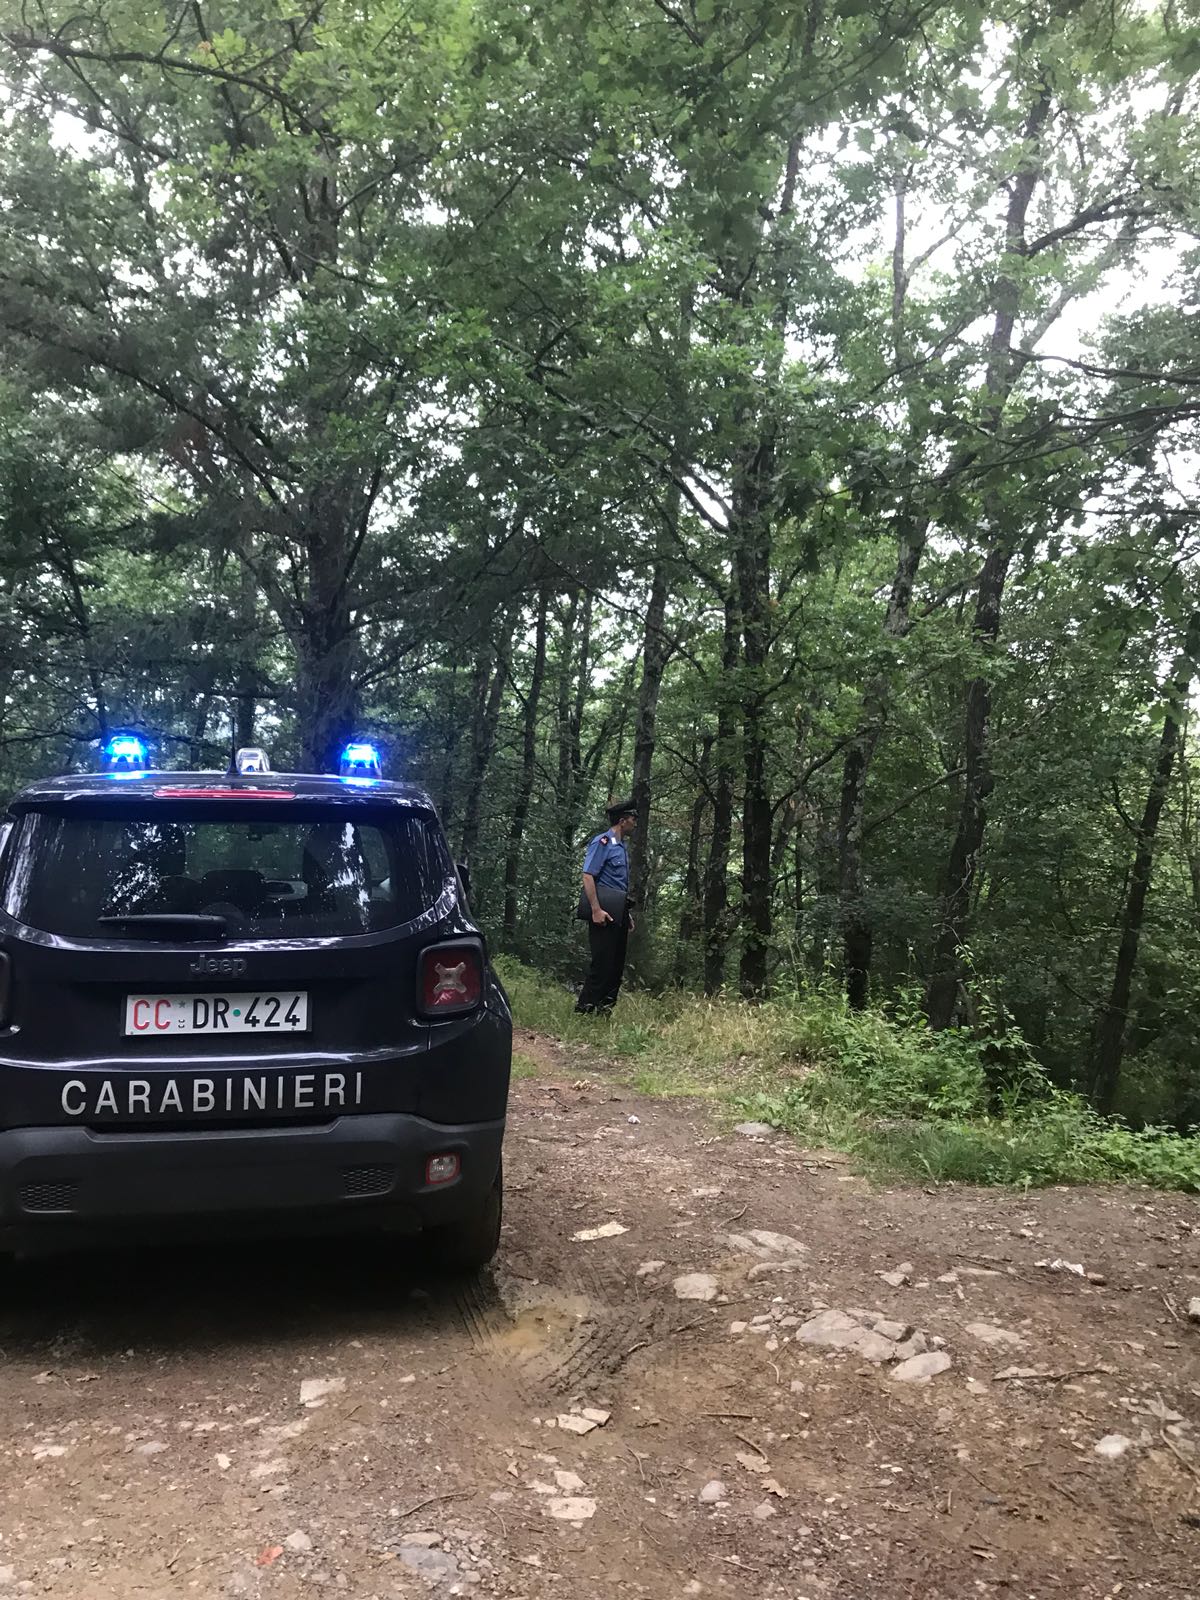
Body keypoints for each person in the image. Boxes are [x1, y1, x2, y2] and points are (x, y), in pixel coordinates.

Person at [575, 800, 637, 1015]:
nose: (635, 823)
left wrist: (626, 914)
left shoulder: (621, 847)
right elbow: (588, 875)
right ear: (622, 821)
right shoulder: (602, 842)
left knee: (616, 965)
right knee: (602, 962)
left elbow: (618, 885)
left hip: (618, 912)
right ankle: (584, 1009)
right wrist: (595, 910)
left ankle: (604, 1011)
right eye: (632, 818)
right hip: (603, 912)